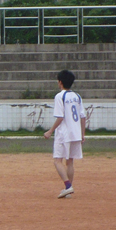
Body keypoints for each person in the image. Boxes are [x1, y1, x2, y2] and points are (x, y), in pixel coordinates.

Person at [43, 69, 86, 198]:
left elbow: (60, 117)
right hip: (76, 133)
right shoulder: (77, 96)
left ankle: (68, 186)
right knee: (70, 161)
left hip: (64, 133)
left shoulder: (60, 96)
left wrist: (50, 131)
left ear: (60, 82)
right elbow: (83, 116)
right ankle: (68, 189)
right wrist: (82, 134)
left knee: (57, 160)